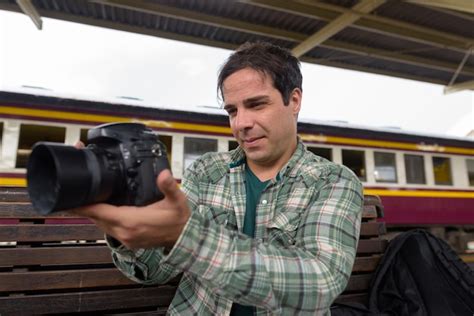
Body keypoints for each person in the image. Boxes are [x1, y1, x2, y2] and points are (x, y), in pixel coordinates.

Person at [73, 42, 364, 315]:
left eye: (257, 104)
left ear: (295, 100)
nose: (241, 124)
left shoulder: (333, 181)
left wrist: (192, 240)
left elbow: (320, 283)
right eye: (232, 110)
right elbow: (154, 272)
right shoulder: (206, 172)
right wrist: (124, 220)